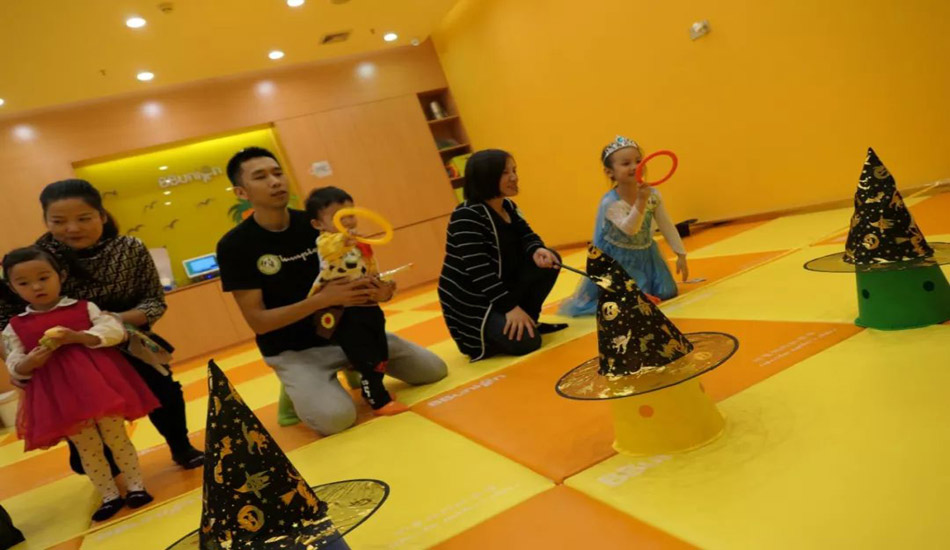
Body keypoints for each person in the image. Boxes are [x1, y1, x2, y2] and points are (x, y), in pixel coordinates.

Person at [216, 147, 446, 436]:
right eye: (261, 177)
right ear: (241, 192)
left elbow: (356, 271)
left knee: (433, 371)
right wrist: (322, 300)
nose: (275, 182)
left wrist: (381, 291)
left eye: (278, 173)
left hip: (351, 333)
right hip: (294, 350)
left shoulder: (318, 223)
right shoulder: (235, 246)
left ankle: (356, 365)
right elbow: (259, 321)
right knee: (336, 419)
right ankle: (295, 388)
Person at [0, 179, 203, 474]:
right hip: (67, 356)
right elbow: (7, 318)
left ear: (102, 216)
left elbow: (153, 301)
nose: (72, 228)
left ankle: (181, 447)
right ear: (46, 222)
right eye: (59, 221)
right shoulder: (37, 259)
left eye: (84, 218)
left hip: (126, 340)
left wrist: (110, 322)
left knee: (165, 392)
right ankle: (104, 468)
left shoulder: (129, 248)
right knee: (86, 442)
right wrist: (19, 365)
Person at [2, 247, 157, 522]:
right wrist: (29, 363)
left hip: (99, 386)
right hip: (60, 395)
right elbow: (14, 361)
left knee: (116, 437)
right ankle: (109, 495)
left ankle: (136, 487)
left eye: (43, 277)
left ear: (60, 276)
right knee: (87, 447)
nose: (36, 287)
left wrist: (78, 336)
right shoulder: (16, 326)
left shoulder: (83, 307)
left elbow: (113, 331)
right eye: (24, 283)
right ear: (13, 288)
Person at [438, 149, 566, 361]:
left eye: (514, 170)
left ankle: (528, 319)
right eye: (505, 173)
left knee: (550, 259)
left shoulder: (507, 206)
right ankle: (499, 330)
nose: (514, 177)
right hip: (476, 301)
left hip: (502, 286)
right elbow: (479, 271)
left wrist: (537, 249)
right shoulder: (466, 215)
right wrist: (509, 308)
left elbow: (527, 235)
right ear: (486, 177)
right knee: (527, 342)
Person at [305, 186, 408, 415]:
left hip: (368, 306)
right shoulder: (327, 242)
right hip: (345, 312)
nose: (348, 221)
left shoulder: (358, 242)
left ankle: (373, 389)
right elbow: (332, 249)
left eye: (350, 214)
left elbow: (369, 267)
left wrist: (382, 284)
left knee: (380, 350)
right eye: (338, 217)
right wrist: (344, 238)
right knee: (366, 357)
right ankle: (378, 400)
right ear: (318, 224)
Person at [560, 136, 688, 316]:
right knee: (635, 301)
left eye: (638, 161)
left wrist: (681, 254)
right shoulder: (611, 203)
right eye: (626, 163)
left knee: (667, 292)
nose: (635, 167)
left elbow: (666, 224)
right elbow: (631, 229)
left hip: (646, 253)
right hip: (619, 260)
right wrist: (641, 201)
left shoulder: (652, 195)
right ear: (610, 172)